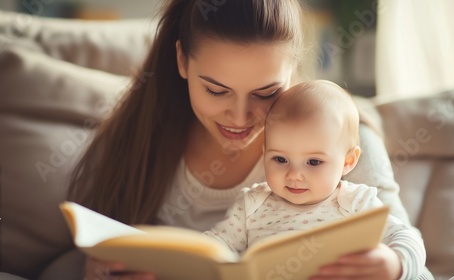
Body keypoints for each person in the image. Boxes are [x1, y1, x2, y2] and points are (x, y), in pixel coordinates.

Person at [67, 0, 434, 279]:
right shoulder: (141, 135)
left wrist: (393, 268)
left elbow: (417, 263)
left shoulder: (343, 142)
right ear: (182, 61)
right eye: (216, 90)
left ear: (291, 71)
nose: (240, 118)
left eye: (265, 93)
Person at [203, 80, 426, 280]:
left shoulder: (356, 202)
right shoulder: (251, 205)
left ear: (348, 161)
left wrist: (395, 263)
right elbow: (216, 245)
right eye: (280, 159)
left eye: (313, 162)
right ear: (265, 152)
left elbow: (407, 236)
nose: (294, 175)